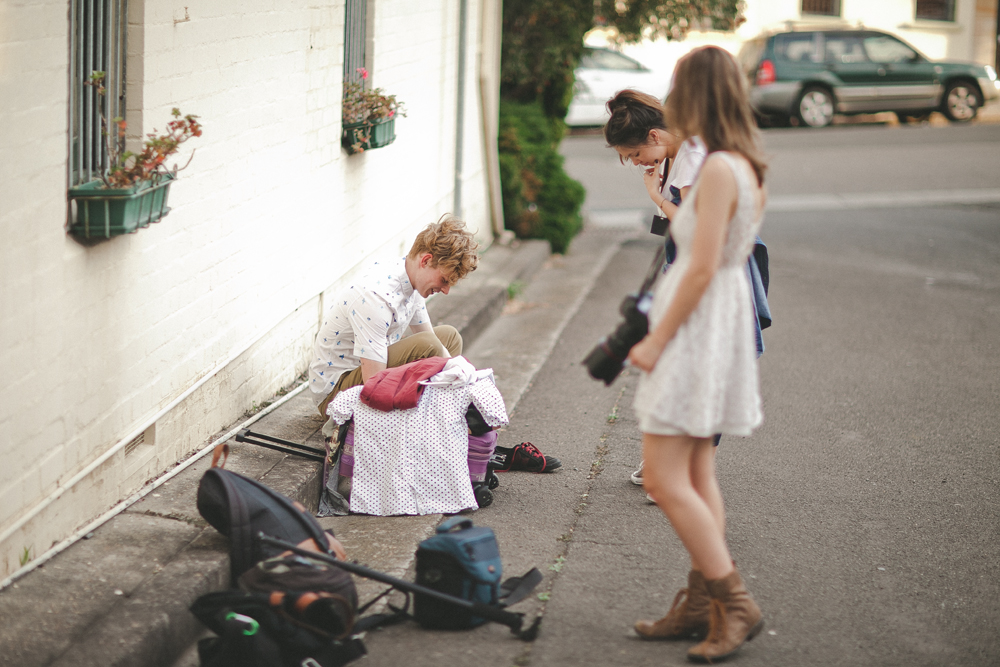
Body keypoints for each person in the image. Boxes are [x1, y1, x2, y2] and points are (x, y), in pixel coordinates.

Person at [626, 46, 767, 662]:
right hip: (724, 317)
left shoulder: (711, 169)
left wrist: (657, 338)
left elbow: (702, 264)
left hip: (701, 319)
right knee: (698, 472)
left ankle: (733, 602)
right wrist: (663, 198)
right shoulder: (745, 162)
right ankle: (701, 600)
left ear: (696, 94)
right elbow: (703, 244)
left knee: (662, 476)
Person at [603, 90, 708, 488]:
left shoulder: (691, 161)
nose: (635, 163)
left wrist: (656, 198)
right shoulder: (676, 156)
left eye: (632, 154)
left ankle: (675, 472)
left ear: (653, 136)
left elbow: (697, 230)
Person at [308, 215, 479, 432]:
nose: (446, 290)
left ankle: (439, 413)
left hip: (371, 366)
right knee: (430, 346)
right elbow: (374, 383)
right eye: (444, 280)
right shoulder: (375, 297)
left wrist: (464, 378)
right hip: (335, 393)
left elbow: (436, 343)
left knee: (449, 336)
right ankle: (431, 417)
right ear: (425, 260)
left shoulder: (412, 278)